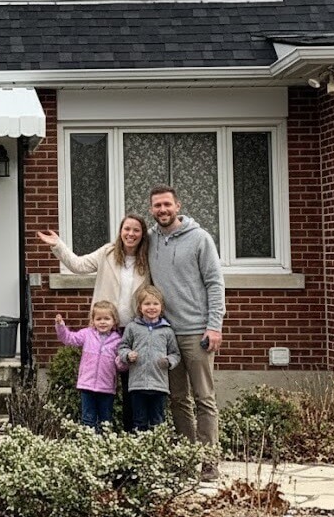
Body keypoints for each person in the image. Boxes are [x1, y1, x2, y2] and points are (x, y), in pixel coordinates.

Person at [38, 215, 151, 431]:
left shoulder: (147, 259)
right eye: (127, 229)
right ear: (120, 231)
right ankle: (98, 435)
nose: (131, 234)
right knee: (98, 383)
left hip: (134, 330)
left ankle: (131, 434)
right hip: (106, 328)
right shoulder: (107, 253)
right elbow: (78, 265)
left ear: (142, 234)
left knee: (132, 386)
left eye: (136, 230)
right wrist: (58, 245)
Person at [147, 185, 225, 481]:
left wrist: (214, 325)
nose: (162, 210)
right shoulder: (151, 239)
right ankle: (185, 458)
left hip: (197, 332)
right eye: (157, 206)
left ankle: (208, 463)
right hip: (166, 332)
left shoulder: (200, 239)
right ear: (152, 209)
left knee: (204, 397)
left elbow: (215, 284)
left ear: (178, 206)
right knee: (178, 399)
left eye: (167, 204)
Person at [117, 285, 180, 431]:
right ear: (139, 307)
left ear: (161, 307)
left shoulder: (167, 330)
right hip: (137, 384)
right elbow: (122, 347)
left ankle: (156, 449)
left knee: (157, 421)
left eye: (155, 304)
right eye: (147, 304)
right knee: (139, 421)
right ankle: (140, 449)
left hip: (158, 385)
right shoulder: (132, 327)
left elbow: (175, 354)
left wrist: (169, 361)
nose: (151, 307)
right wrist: (127, 355)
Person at [54, 300, 124, 431]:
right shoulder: (87, 334)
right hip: (87, 385)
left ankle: (104, 446)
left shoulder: (117, 341)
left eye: (107, 319)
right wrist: (61, 326)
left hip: (106, 387)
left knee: (105, 420)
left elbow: (121, 367)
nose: (102, 322)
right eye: (99, 319)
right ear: (93, 321)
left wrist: (123, 360)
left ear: (114, 321)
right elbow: (69, 339)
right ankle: (88, 445)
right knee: (88, 419)